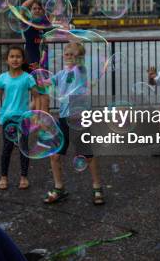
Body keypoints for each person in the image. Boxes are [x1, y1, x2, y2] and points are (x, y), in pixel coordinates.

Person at [44, 41, 105, 206]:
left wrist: (78, 53)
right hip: (64, 118)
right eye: (67, 54)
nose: (70, 57)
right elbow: (45, 83)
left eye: (74, 54)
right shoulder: (61, 74)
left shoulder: (81, 71)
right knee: (55, 155)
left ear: (80, 57)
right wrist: (35, 74)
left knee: (87, 155)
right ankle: (59, 188)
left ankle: (97, 187)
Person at [0, 45, 38, 190]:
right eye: (12, 56)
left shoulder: (28, 78)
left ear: (23, 60)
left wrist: (32, 110)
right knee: (7, 148)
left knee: (23, 148)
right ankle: (3, 177)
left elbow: (36, 97)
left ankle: (24, 177)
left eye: (18, 56)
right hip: (7, 118)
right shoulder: (3, 78)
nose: (15, 59)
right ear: (7, 60)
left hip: (23, 118)